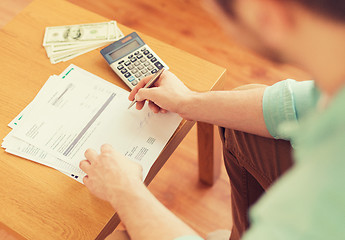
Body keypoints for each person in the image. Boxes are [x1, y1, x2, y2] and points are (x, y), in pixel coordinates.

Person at [79, 0, 345, 239]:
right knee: (245, 108)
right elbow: (295, 104)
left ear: (268, 15)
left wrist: (123, 189)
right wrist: (186, 101)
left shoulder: (326, 190)